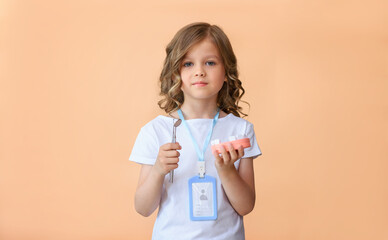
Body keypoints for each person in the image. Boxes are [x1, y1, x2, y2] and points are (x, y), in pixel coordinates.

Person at [129, 22, 262, 240]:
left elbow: (246, 206)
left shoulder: (241, 130)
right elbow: (143, 208)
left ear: (227, 72)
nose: (199, 72)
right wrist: (158, 170)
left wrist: (227, 171)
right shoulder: (156, 131)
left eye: (210, 62)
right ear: (175, 74)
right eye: (188, 64)